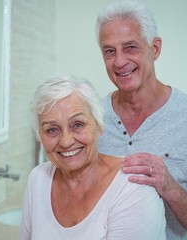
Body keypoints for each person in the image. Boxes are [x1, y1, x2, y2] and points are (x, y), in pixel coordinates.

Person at [95, 1, 187, 240]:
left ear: (155, 48)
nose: (119, 61)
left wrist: (170, 188)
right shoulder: (90, 117)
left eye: (130, 47)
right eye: (109, 51)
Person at [20, 75, 166, 240]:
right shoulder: (38, 178)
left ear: (99, 125)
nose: (66, 141)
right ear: (40, 135)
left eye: (78, 125)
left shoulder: (133, 187)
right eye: (52, 130)